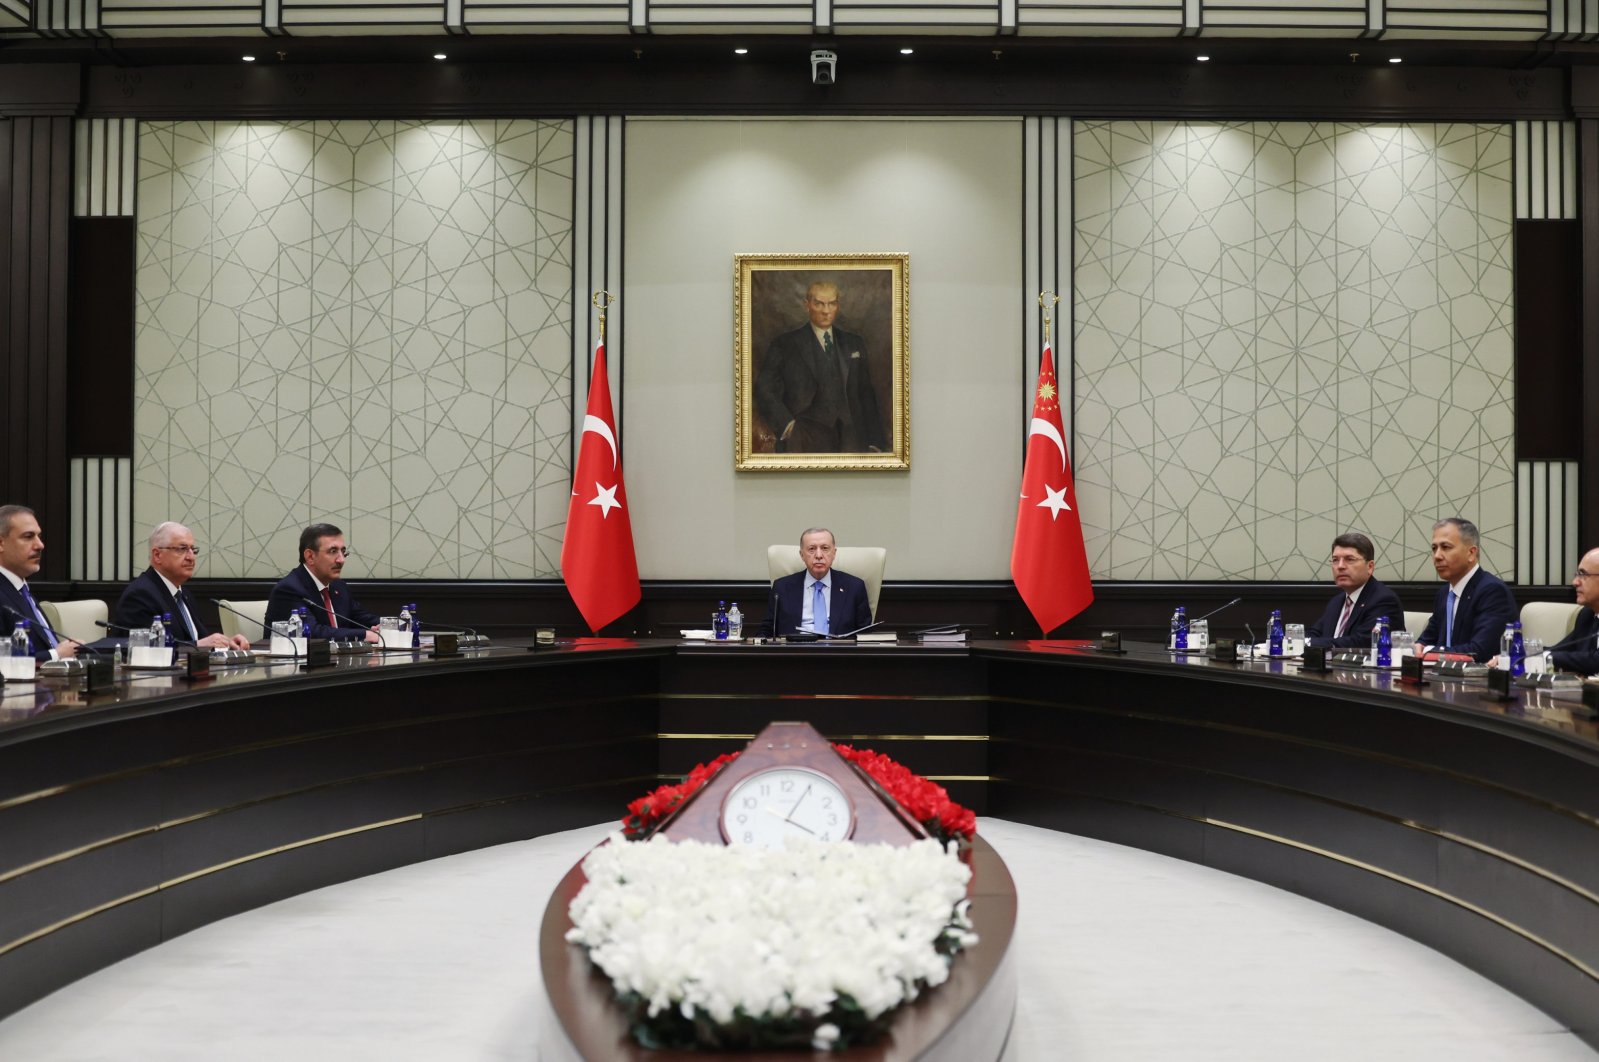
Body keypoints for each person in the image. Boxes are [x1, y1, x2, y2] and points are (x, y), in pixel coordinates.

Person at [754, 281, 887, 454]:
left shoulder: (854, 343)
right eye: (819, 303)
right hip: (803, 438)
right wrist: (788, 427)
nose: (826, 311)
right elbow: (764, 389)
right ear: (807, 305)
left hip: (852, 438)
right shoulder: (784, 344)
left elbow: (866, 394)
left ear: (837, 306)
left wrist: (875, 442)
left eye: (831, 303)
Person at [112, 522, 252, 650]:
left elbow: (201, 640)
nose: (191, 557)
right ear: (157, 555)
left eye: (193, 550)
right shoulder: (140, 595)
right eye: (182, 549)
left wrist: (227, 643)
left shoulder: (184, 595)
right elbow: (146, 649)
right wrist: (198, 645)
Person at [1415, 517, 1517, 663]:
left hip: (1479, 681)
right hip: (1441, 678)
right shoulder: (1444, 593)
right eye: (1434, 548)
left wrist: (1429, 652)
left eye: (1446, 547)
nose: (1437, 556)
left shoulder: (1492, 591)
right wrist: (1419, 646)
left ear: (1471, 553)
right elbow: (1427, 638)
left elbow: (1479, 651)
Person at [265, 523, 380, 643]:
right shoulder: (288, 589)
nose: (341, 560)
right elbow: (311, 632)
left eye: (343, 552)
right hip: (298, 660)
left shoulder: (339, 587)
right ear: (310, 556)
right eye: (333, 551)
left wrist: (386, 627)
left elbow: (363, 618)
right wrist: (366, 635)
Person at [0, 504, 77, 661]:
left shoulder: (22, 591)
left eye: (38, 536)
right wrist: (56, 655)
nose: (40, 545)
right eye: (28, 537)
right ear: (1, 543)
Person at [766, 527, 873, 637]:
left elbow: (865, 633)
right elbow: (767, 630)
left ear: (834, 553)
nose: (818, 555)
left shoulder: (854, 587)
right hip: (796, 651)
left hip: (839, 652)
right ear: (802, 555)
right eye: (811, 549)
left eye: (825, 548)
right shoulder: (782, 587)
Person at [1304, 532, 1404, 649]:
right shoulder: (1337, 602)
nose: (1340, 566)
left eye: (1349, 559)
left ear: (1370, 567)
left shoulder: (1383, 600)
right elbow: (1315, 633)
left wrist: (1307, 643)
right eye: (1335, 560)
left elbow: (1361, 642)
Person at [1546, 546, 1599, 675]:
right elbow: (1559, 650)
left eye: (1583, 574)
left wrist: (1545, 657)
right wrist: (1519, 655)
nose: (1574, 582)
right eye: (1577, 575)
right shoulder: (1587, 615)